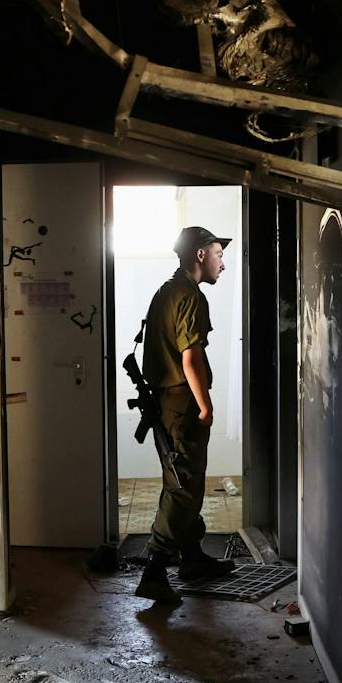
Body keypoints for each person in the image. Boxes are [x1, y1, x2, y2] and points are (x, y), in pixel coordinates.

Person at [135, 225, 239, 601]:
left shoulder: (167, 291)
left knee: (186, 480)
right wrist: (207, 406)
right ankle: (155, 568)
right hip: (183, 403)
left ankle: (192, 557)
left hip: (167, 403)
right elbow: (191, 359)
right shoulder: (191, 297)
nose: (222, 264)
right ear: (200, 254)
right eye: (219, 254)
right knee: (183, 487)